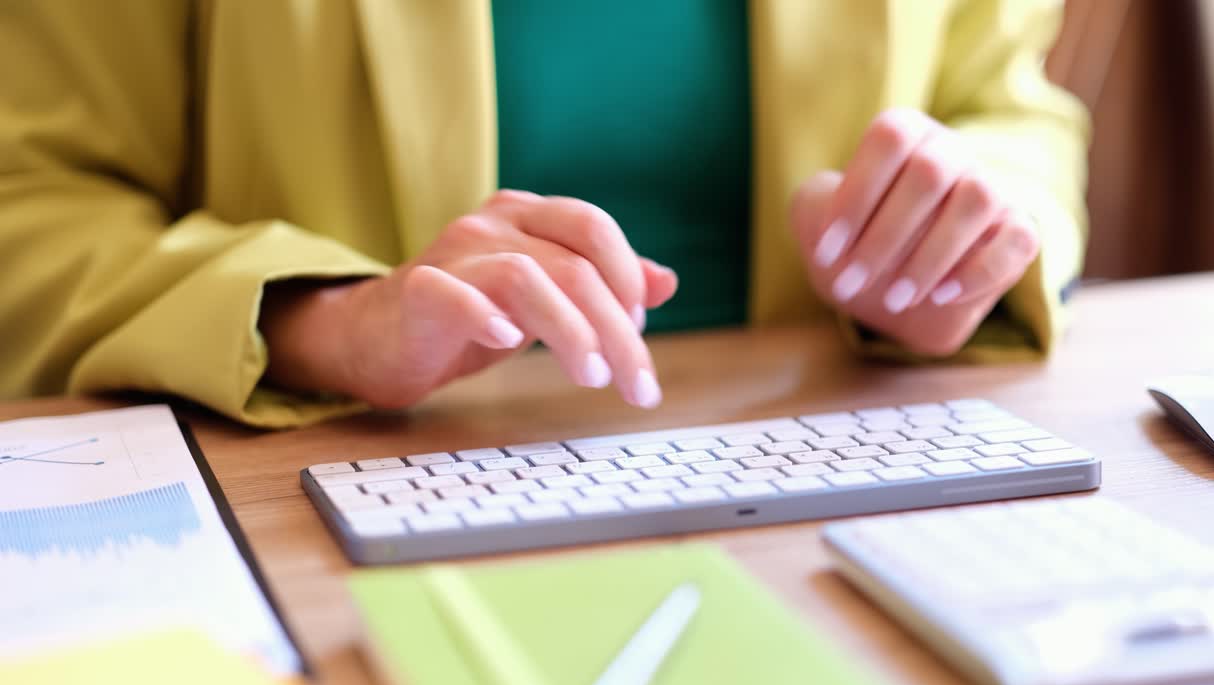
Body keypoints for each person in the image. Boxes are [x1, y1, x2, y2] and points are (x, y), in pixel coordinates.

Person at [0, 1, 1087, 428]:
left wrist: (962, 242)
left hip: (841, 454)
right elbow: (32, 205)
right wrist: (326, 321)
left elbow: (1006, 107)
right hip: (362, 479)